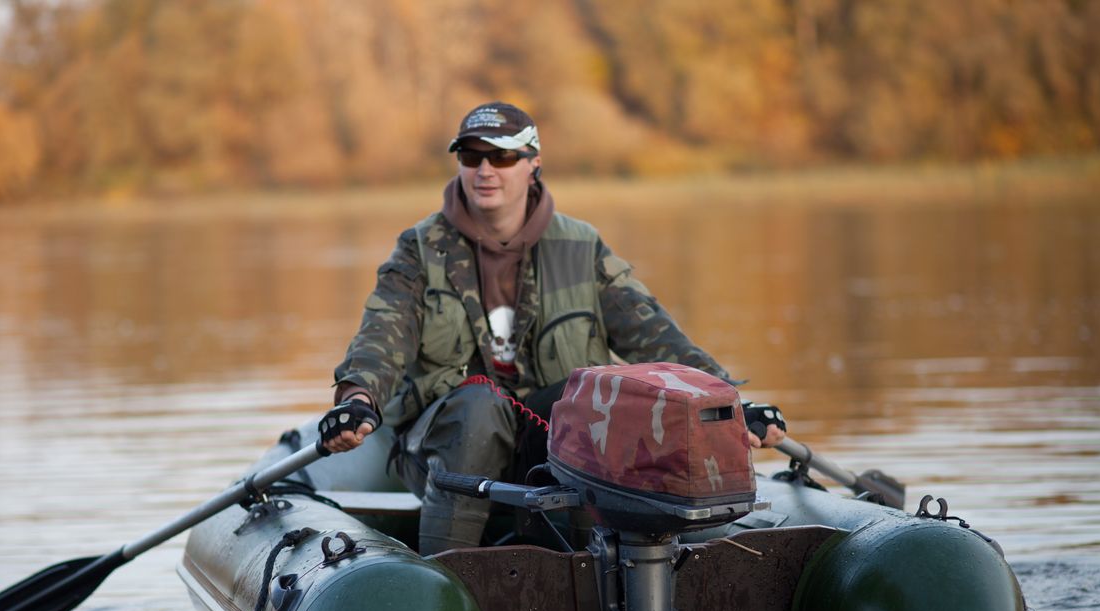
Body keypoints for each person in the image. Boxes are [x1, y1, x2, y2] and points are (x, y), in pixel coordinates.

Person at [321, 102, 785, 555]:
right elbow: (383, 334)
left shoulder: (581, 247)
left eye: (502, 156)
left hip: (553, 444)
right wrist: (359, 397)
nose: (485, 170)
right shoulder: (418, 250)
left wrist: (730, 404)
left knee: (585, 396)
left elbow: (655, 335)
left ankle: (592, 565)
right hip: (447, 446)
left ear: (533, 164)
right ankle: (446, 573)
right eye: (471, 156)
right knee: (479, 406)